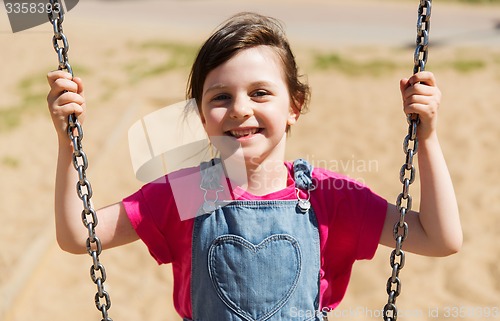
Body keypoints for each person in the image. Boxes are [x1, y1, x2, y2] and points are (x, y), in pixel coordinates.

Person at [46, 12, 462, 321]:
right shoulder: (196, 191)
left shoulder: (327, 197)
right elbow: (80, 236)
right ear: (202, 114)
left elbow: (438, 238)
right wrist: (68, 142)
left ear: (294, 107)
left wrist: (425, 138)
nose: (239, 110)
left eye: (260, 93)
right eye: (220, 97)